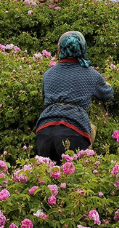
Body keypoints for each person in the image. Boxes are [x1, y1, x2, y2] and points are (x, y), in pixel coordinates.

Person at [35, 31, 113, 161]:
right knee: (73, 178)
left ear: (60, 49)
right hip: (73, 129)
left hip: (45, 129)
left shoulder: (48, 74)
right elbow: (107, 94)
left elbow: (45, 98)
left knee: (46, 177)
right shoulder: (90, 74)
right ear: (82, 48)